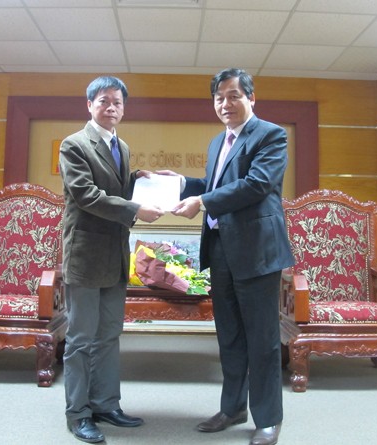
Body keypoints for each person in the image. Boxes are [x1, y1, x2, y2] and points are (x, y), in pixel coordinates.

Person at [161, 68, 294, 445]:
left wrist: (202, 201)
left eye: (234, 95)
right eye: (219, 98)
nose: (225, 104)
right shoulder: (217, 142)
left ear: (251, 97)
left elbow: (256, 184)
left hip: (256, 250)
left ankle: (267, 418)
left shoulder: (270, 134)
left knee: (262, 338)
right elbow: (216, 185)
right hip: (220, 248)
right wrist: (180, 183)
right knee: (230, 335)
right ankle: (233, 407)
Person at [59, 76, 164, 444]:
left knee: (108, 335)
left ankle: (105, 404)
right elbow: (86, 194)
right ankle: (78, 413)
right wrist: (135, 207)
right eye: (104, 100)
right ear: (89, 105)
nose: (111, 107)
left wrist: (140, 180)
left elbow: (114, 187)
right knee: (81, 339)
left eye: (117, 102)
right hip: (85, 256)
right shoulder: (74, 145)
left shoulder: (122, 146)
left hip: (114, 255)